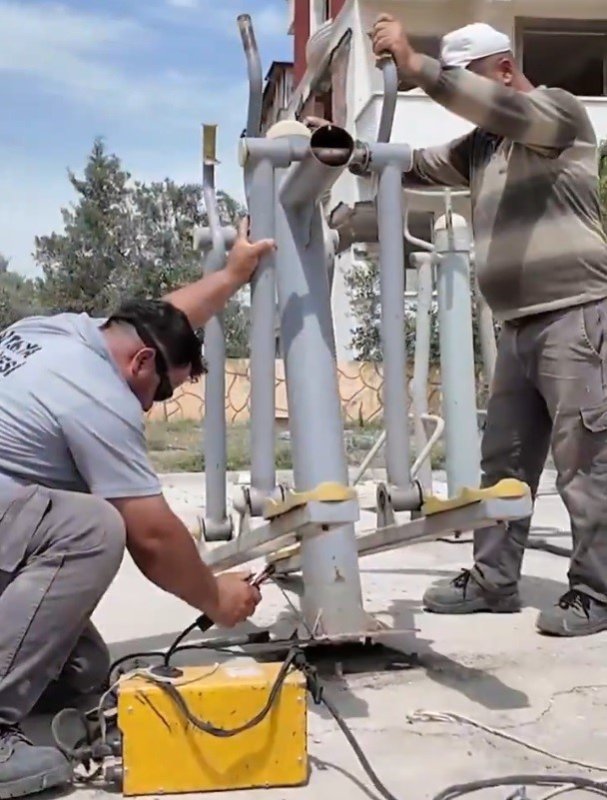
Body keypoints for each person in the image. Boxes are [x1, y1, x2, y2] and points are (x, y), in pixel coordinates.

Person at [0, 217, 275, 798]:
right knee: (94, 527)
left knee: (82, 672)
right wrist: (216, 596)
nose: (152, 406)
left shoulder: (56, 332)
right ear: (141, 365)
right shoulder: (100, 396)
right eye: (163, 391)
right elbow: (151, 537)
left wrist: (231, 276)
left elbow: (163, 318)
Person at [368, 16, 607, 636]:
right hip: (517, 327)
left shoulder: (554, 114)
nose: (469, 101)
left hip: (576, 316)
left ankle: (596, 593)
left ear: (502, 70)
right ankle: (494, 579)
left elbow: (489, 105)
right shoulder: (483, 146)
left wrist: (419, 67)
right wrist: (344, 147)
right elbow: (416, 164)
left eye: (474, 83)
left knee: (586, 460)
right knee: (504, 463)